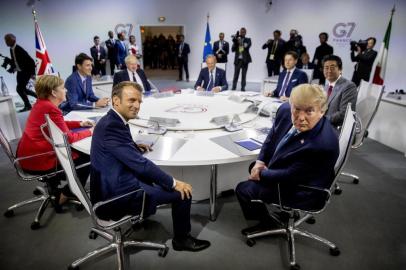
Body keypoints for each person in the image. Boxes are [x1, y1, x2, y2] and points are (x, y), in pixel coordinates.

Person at [90, 81, 211, 251]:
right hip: (116, 197)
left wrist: (133, 147)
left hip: (108, 186)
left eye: (139, 101)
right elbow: (141, 165)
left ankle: (149, 211)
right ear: (116, 101)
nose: (137, 105)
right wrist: (174, 183)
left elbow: (118, 146)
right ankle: (182, 240)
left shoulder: (111, 120)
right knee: (182, 193)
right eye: (131, 100)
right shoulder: (112, 126)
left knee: (155, 179)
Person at [235, 83, 339, 235]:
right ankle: (277, 208)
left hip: (303, 189)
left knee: (243, 189)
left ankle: (266, 223)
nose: (301, 118)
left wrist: (260, 174)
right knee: (253, 166)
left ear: (322, 111)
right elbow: (272, 136)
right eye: (296, 109)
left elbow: (291, 176)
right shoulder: (285, 110)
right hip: (293, 169)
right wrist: (260, 162)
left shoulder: (323, 144)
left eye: (309, 111)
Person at [16, 75, 93, 206]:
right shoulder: (50, 108)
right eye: (63, 88)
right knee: (87, 158)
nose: (66, 90)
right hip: (39, 159)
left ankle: (57, 186)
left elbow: (59, 124)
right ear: (53, 92)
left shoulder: (41, 104)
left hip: (26, 156)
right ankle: (66, 193)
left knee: (77, 154)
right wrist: (91, 131)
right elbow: (68, 138)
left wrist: (80, 124)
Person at [3, 33, 37, 112]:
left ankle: (28, 105)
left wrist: (32, 73)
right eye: (5, 40)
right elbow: (17, 61)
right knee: (22, 89)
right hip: (20, 71)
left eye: (7, 40)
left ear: (13, 40)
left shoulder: (18, 49)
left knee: (19, 89)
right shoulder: (11, 49)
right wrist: (11, 65)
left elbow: (31, 61)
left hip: (26, 71)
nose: (6, 42)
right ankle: (35, 99)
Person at [323, 54, 357, 127]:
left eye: (332, 67)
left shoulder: (349, 86)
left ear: (340, 69)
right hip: (323, 126)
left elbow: (344, 113)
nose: (329, 71)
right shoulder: (325, 87)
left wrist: (321, 120)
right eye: (326, 68)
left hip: (336, 129)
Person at [231, 27, 252, 91]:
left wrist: (241, 42)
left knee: (244, 75)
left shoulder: (248, 40)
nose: (242, 33)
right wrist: (235, 42)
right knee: (235, 75)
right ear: (239, 32)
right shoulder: (236, 40)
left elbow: (247, 46)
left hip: (245, 60)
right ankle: (233, 87)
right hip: (238, 60)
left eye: (243, 32)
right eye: (241, 32)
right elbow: (232, 50)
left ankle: (243, 88)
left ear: (245, 33)